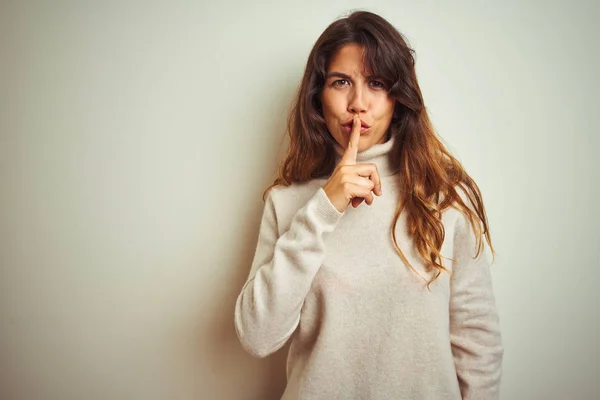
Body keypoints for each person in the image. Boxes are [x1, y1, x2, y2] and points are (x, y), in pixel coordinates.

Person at [234, 10, 503, 400]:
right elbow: (256, 336)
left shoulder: (445, 198)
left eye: (376, 83)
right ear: (318, 96)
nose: (357, 103)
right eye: (341, 82)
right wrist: (324, 207)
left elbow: (477, 345)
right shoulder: (288, 203)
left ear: (398, 97)